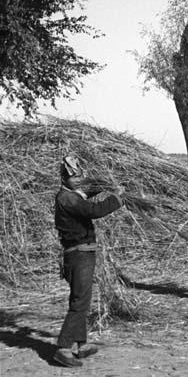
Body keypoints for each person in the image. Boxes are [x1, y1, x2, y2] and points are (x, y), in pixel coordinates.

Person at [53, 153, 124, 368]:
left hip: (80, 253)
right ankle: (63, 348)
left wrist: (102, 187)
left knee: (81, 299)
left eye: (79, 176)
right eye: (73, 177)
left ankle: (80, 345)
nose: (77, 180)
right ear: (64, 178)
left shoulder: (70, 194)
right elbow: (93, 210)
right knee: (79, 303)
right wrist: (116, 198)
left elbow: (84, 194)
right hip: (79, 255)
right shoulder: (68, 199)